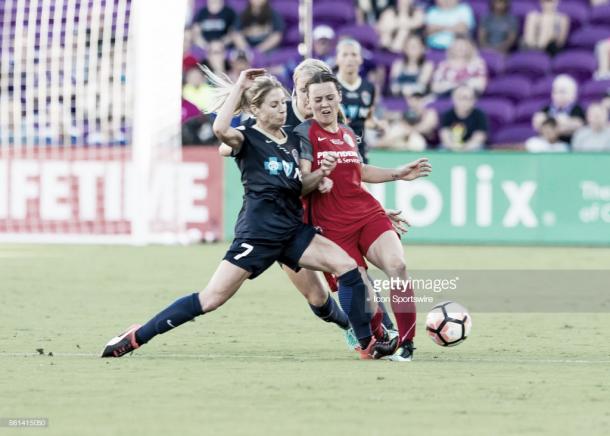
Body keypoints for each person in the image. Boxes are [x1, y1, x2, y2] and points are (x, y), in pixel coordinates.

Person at [101, 69, 396, 359]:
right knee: (211, 299)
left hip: (293, 231)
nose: (282, 110)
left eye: (283, 103)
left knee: (345, 268)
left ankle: (367, 342)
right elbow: (219, 130)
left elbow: (303, 184)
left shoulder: (293, 140)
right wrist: (239, 86)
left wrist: (321, 177)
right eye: (274, 105)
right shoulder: (246, 138)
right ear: (255, 109)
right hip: (258, 235)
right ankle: (136, 337)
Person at [220, 58, 406, 352]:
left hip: (327, 222)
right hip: (287, 224)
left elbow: (350, 177)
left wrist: (378, 214)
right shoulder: (279, 119)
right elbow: (229, 144)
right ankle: (348, 325)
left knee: (355, 275)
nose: (311, 96)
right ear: (296, 90)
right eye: (305, 89)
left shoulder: (333, 122)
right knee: (318, 298)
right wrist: (236, 143)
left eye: (316, 90)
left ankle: (385, 335)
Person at [294, 71, 433, 361]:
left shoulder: (346, 132)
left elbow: (358, 172)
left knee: (398, 265)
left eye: (330, 97)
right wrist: (320, 177)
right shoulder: (305, 132)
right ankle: (374, 338)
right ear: (308, 101)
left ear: (339, 98)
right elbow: (303, 179)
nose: (324, 104)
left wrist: (398, 173)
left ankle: (406, 346)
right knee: (362, 290)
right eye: (317, 99)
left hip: (365, 213)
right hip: (331, 227)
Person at [335, 39, 386, 164]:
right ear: (337, 59)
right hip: (334, 148)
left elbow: (367, 119)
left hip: (359, 149)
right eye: (345, 55)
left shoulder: (369, 88)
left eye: (354, 54)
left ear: (360, 59)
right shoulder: (330, 85)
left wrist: (377, 125)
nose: (350, 59)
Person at [532, 75, 585, 144]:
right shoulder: (546, 108)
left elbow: (577, 125)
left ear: (573, 94)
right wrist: (561, 123)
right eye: (555, 91)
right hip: (546, 143)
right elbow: (537, 124)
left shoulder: (577, 109)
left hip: (567, 145)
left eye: (562, 92)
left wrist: (549, 123)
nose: (558, 95)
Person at [439, 85, 489, 151]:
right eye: (461, 98)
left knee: (479, 148)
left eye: (468, 98)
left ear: (474, 100)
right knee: (442, 149)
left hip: (472, 147)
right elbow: (445, 134)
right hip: (452, 146)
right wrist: (452, 146)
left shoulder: (479, 115)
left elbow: (480, 136)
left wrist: (466, 147)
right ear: (453, 99)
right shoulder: (447, 115)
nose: (464, 102)